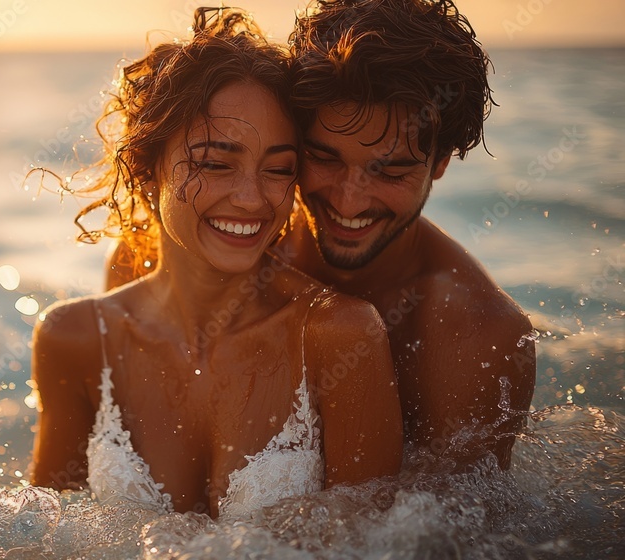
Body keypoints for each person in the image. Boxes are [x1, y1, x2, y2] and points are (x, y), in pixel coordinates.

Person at [107, 0, 537, 472]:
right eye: (325, 159)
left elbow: (438, 537)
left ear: (439, 164)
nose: (349, 202)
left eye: (390, 171)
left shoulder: (475, 335)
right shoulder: (173, 249)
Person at [30, 8, 403, 519]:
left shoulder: (338, 335)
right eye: (215, 162)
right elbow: (41, 537)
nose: (252, 200)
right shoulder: (74, 339)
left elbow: (380, 546)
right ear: (146, 171)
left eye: (278, 169)